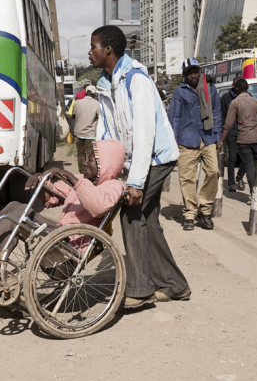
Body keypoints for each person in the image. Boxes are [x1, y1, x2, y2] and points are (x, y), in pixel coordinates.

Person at [90, 25, 190, 309]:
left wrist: (135, 183)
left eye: (93, 46)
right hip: (137, 160)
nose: (89, 52)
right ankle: (175, 285)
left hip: (157, 157)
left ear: (108, 50)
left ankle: (141, 288)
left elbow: (144, 132)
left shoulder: (136, 80)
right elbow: (106, 131)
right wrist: (101, 169)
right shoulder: (105, 83)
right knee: (149, 222)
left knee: (132, 214)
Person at [0, 140, 126, 280]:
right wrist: (41, 182)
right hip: (58, 238)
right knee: (15, 206)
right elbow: (51, 199)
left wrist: (69, 176)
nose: (85, 163)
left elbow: (99, 207)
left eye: (91, 160)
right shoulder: (82, 181)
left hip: (70, 250)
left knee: (19, 213)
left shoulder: (113, 186)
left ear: (105, 164)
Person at [168, 59, 222, 231]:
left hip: (207, 137)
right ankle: (190, 214)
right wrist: (173, 143)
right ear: (184, 75)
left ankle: (205, 210)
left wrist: (217, 136)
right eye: (189, 72)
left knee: (213, 172)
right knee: (187, 178)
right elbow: (174, 117)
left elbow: (216, 113)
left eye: (196, 71)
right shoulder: (179, 92)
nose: (193, 75)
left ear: (200, 72)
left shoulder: (210, 88)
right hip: (186, 139)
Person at [219, 78, 257, 204]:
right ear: (247, 88)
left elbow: (227, 125)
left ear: (237, 89)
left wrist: (221, 141)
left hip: (243, 139)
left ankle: (255, 196)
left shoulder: (235, 103)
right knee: (255, 166)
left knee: (249, 167)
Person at [219, 76, 246, 192]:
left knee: (246, 157)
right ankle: (231, 183)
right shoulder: (225, 98)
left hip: (244, 131)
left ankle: (239, 176)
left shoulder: (246, 97)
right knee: (232, 157)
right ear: (233, 86)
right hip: (230, 132)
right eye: (236, 85)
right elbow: (222, 116)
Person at [70, 86, 100, 172]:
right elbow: (99, 117)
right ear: (94, 93)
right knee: (89, 155)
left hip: (78, 133)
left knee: (80, 155)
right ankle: (88, 173)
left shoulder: (77, 103)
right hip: (90, 134)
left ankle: (81, 172)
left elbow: (74, 115)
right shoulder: (96, 104)